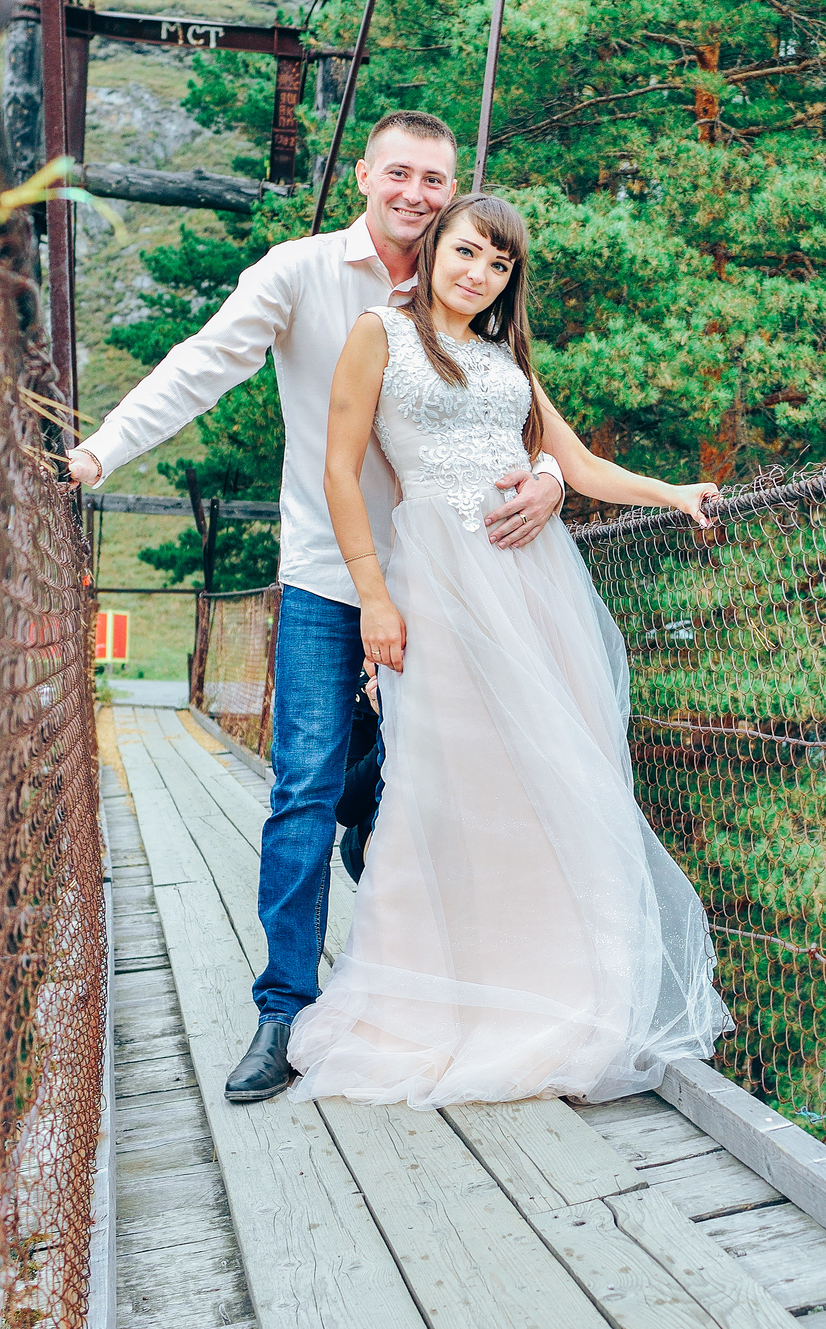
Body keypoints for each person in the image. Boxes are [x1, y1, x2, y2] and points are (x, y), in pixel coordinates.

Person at [65, 112, 569, 1102]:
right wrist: (97, 454)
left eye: (436, 180)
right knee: (302, 781)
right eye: (400, 174)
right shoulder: (300, 274)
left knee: (438, 782)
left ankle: (428, 961)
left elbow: (521, 410)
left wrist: (549, 474)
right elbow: (202, 365)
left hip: (450, 585)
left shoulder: (469, 282)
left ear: (452, 191)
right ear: (365, 177)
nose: (417, 194)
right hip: (330, 577)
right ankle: (284, 1006)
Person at [289, 192, 730, 1106]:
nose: (480, 273)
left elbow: (582, 463)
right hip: (439, 582)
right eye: (467, 252)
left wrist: (674, 492)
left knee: (543, 780)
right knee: (440, 784)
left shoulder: (505, 360)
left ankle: (546, 990)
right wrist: (374, 597)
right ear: (433, 250)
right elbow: (339, 469)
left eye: (499, 264)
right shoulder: (379, 333)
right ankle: (431, 998)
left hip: (533, 586)